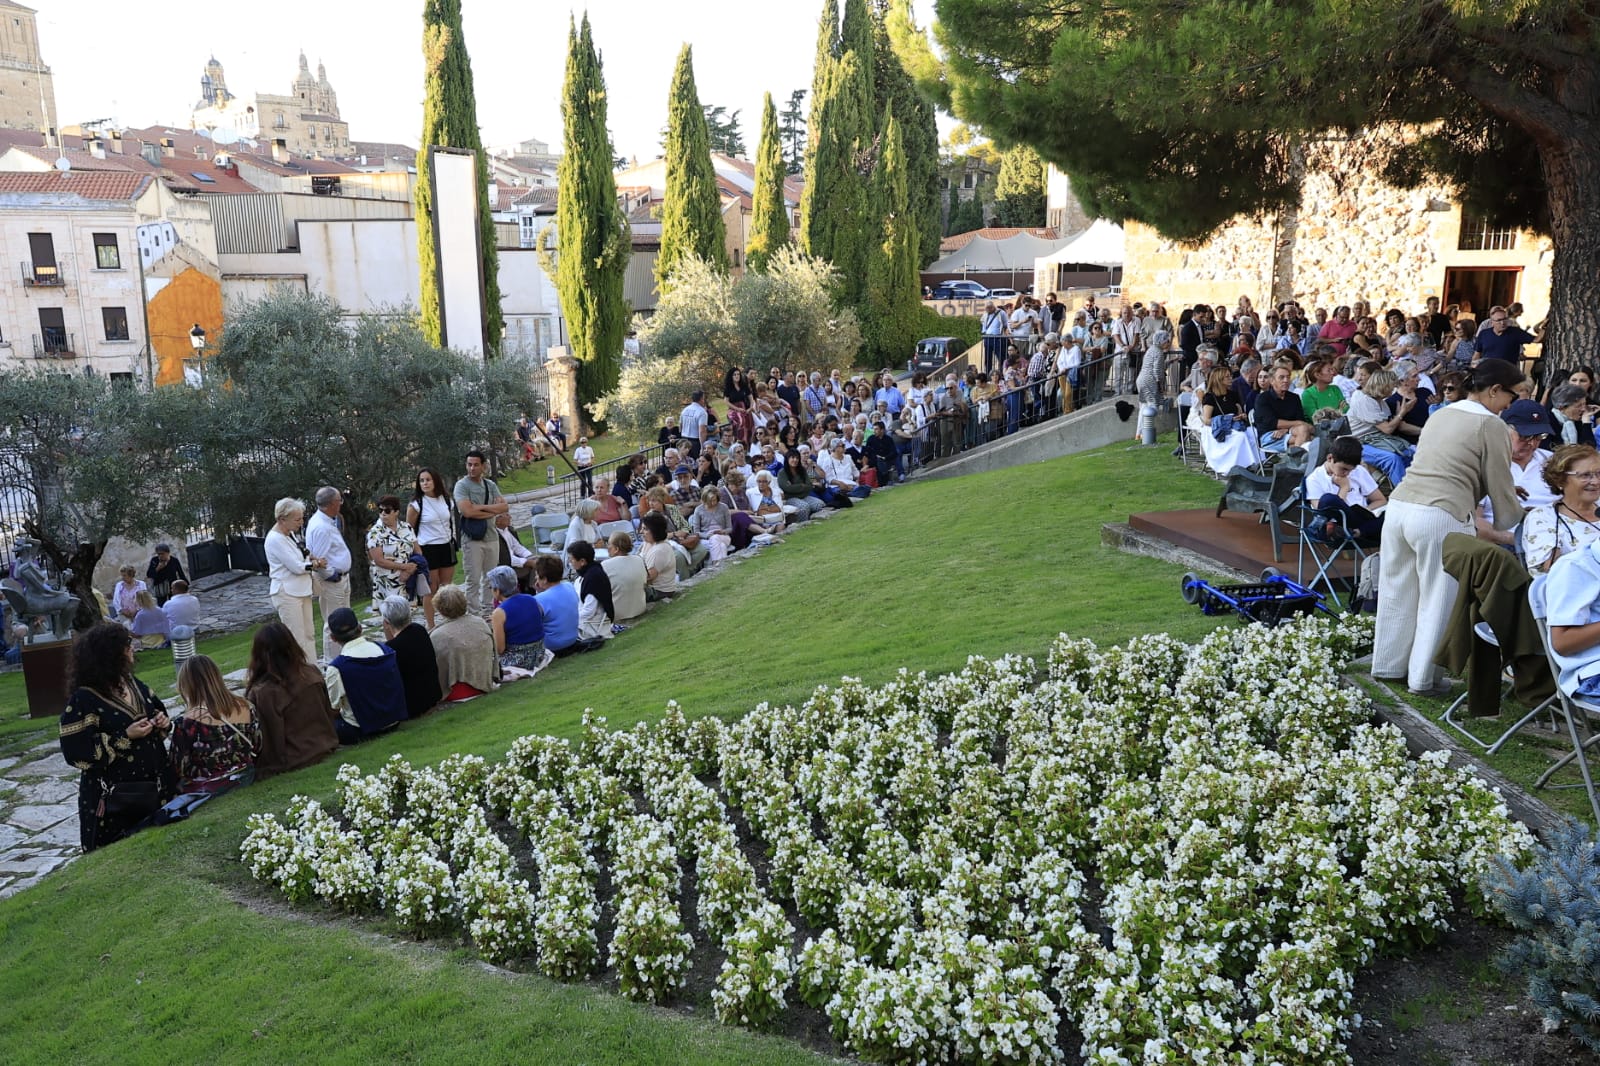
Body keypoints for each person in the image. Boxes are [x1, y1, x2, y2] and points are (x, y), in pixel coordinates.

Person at [1373, 359, 1526, 695]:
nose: (1511, 404)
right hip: (1441, 514)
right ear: (1495, 390)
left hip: (1400, 505)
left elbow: (1449, 464)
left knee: (1397, 590)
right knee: (1439, 597)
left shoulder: (1441, 413)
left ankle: (1388, 665)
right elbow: (1499, 479)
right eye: (1512, 396)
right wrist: (1518, 523)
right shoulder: (1492, 424)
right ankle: (1423, 679)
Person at [59, 623, 175, 851]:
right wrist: (125, 737)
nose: (132, 648)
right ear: (109, 653)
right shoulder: (84, 699)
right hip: (116, 801)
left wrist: (162, 722)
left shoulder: (132, 683)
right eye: (126, 644)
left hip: (156, 788)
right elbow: (76, 752)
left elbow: (157, 712)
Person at [245, 621, 339, 780]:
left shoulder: (263, 693)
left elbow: (269, 741)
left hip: (294, 758)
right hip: (325, 744)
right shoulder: (311, 673)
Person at [168, 654, 260, 794]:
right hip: (244, 776)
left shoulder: (186, 722)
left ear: (187, 686)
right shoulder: (245, 707)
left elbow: (179, 768)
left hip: (208, 786)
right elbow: (258, 745)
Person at [323, 607, 407, 743]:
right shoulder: (384, 649)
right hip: (393, 719)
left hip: (360, 730)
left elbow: (334, 707)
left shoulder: (337, 668)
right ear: (360, 628)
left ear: (333, 638)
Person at [1519, 444, 1600, 574]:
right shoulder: (1544, 518)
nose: (1596, 481)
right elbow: (1551, 571)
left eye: (1599, 473)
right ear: (1560, 481)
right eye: (1585, 475)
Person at [454, 450, 509, 618]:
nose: (472, 468)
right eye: (469, 464)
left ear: (483, 466)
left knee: (490, 578)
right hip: (472, 539)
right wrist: (492, 511)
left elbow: (504, 507)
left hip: (491, 537)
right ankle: (474, 615)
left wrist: (480, 508)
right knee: (473, 579)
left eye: (476, 465)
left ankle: (488, 613)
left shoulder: (490, 485)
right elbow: (467, 511)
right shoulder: (462, 486)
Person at [265, 497, 318, 665]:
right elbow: (296, 567)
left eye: (302, 518)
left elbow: (301, 557)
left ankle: (313, 668)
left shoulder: (290, 535)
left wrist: (309, 558)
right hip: (287, 592)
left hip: (302, 589)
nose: (301, 523)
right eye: (297, 519)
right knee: (296, 638)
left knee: (309, 633)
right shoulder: (275, 539)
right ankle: (300, 673)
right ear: (282, 519)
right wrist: (315, 564)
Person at [1304, 435, 1387, 542]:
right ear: (1330, 458)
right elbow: (1322, 513)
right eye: (1344, 469)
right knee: (1328, 499)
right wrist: (1344, 488)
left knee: (1395, 512)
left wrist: (1367, 510)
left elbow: (1380, 500)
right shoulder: (1314, 479)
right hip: (1336, 522)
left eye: (1351, 470)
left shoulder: (1359, 471)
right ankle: (1357, 531)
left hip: (1361, 518)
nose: (1347, 473)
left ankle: (1357, 532)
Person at [305, 486, 353, 662]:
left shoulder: (328, 521)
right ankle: (332, 662)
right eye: (339, 500)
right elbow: (317, 558)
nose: (341, 503)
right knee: (333, 623)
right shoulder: (321, 527)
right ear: (332, 504)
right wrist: (331, 575)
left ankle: (346, 656)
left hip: (341, 578)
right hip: (333, 582)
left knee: (345, 620)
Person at [428, 584, 500, 701]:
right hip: (485, 683)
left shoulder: (437, 635)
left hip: (455, 692)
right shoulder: (480, 623)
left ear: (440, 609)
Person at [378, 594, 442, 718]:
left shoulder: (391, 648)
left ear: (386, 622)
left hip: (411, 706)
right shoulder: (419, 630)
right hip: (433, 695)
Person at [407, 468, 456, 629]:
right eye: (421, 481)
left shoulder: (446, 499)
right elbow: (409, 530)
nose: (425, 483)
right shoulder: (416, 504)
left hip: (446, 545)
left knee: (447, 586)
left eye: (428, 480)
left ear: (435, 481)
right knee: (431, 588)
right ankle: (431, 624)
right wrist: (417, 551)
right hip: (428, 548)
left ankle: (450, 618)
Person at [1195, 366, 1263, 475]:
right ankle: (1239, 466)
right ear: (1219, 379)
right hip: (1219, 427)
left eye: (1230, 376)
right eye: (1227, 377)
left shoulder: (1232, 394)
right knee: (1240, 436)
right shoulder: (1210, 397)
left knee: (1253, 432)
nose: (1231, 378)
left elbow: (1239, 411)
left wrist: (1241, 416)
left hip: (1235, 424)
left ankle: (1254, 462)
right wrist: (1226, 419)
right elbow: (1206, 420)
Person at [488, 565, 546, 670]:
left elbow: (500, 649)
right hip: (539, 653)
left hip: (518, 660)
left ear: (497, 590)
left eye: (490, 587)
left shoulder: (499, 613)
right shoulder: (531, 599)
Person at [366, 494, 420, 605]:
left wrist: (410, 569)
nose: (383, 513)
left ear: (396, 512)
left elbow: (418, 551)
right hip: (388, 583)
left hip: (408, 579)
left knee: (410, 611)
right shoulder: (375, 533)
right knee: (393, 612)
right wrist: (405, 567)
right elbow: (379, 561)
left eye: (387, 510)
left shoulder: (407, 527)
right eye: (380, 510)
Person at [1253, 365, 1314, 452]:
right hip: (1270, 435)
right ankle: (1298, 458)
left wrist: (1286, 430)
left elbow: (1300, 419)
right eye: (1281, 377)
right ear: (1272, 381)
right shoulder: (1262, 398)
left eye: (1288, 377)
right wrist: (1298, 423)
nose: (1286, 380)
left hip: (1291, 431)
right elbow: (1272, 422)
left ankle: (1295, 458)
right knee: (1309, 438)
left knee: (1306, 431)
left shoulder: (1294, 397)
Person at [567, 540, 614, 648]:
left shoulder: (593, 578)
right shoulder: (588, 574)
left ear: (582, 561)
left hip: (593, 625)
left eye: (572, 559)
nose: (570, 562)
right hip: (590, 621)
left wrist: (569, 619)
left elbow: (589, 611)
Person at [530, 555, 579, 656]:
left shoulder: (538, 600)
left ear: (544, 579)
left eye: (537, 575)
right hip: (572, 639)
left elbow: (532, 626)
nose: (536, 578)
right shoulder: (569, 586)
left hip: (552, 646)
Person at [602, 531, 648, 621]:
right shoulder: (639, 559)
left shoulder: (605, 565)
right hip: (640, 609)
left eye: (609, 544)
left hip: (617, 614)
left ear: (616, 549)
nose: (607, 547)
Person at [1474, 306, 1538, 364]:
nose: (1502, 323)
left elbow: (1536, 340)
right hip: (1488, 370)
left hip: (1508, 371)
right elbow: (1476, 354)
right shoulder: (1484, 333)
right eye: (1499, 320)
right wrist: (1473, 368)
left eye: (1504, 319)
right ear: (1492, 322)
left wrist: (1542, 327)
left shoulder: (1515, 332)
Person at [638, 512, 678, 602]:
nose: (641, 532)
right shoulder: (647, 543)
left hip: (659, 591)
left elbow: (649, 578)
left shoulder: (659, 550)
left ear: (655, 531)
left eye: (645, 529)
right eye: (642, 528)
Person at [688, 485, 734, 563]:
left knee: (715, 538)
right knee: (721, 546)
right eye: (710, 501)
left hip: (723, 537)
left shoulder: (724, 507)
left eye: (714, 500)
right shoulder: (699, 510)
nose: (713, 503)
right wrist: (707, 535)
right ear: (705, 500)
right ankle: (722, 566)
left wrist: (723, 531)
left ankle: (715, 563)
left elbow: (730, 528)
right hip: (705, 539)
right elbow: (696, 532)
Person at [493, 512, 537, 590]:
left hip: (515, 561)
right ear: (497, 521)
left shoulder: (509, 530)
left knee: (540, 561)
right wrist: (526, 562)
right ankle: (533, 588)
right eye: (507, 515)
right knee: (535, 566)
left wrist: (529, 556)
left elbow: (518, 547)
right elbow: (505, 558)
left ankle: (533, 588)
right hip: (505, 566)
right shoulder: (495, 536)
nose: (510, 517)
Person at [1548, 384, 1598, 448]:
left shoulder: (1578, 420)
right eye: (1578, 406)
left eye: (1584, 404)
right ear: (1561, 408)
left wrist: (1586, 422)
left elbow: (1590, 449)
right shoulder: (1548, 422)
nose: (1583, 409)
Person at [680, 390, 710, 458]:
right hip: (695, 442)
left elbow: (681, 426)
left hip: (684, 440)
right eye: (704, 398)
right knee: (697, 461)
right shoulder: (702, 412)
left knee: (685, 461)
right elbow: (702, 431)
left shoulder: (684, 410)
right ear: (701, 399)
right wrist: (702, 447)